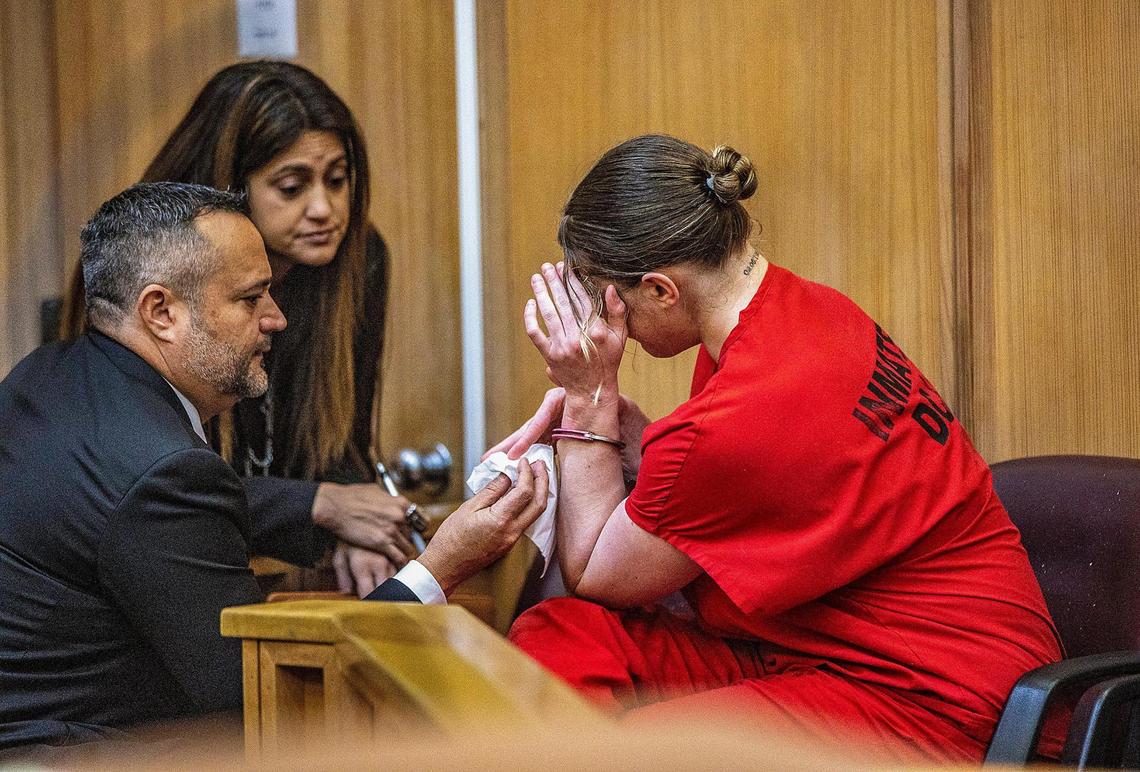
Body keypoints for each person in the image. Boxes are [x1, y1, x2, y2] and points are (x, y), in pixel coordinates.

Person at [494, 135, 1062, 762]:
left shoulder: (738, 414)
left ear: (660, 290)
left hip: (930, 693)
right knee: (565, 635)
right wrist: (624, 431)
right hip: (814, 641)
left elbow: (597, 572)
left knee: (643, 751)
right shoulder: (813, 309)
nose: (607, 329)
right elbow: (754, 483)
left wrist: (588, 400)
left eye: (606, 302)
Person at [0, 182, 548, 753]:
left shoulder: (48, 378)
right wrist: (442, 565)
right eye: (250, 298)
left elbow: (144, 512)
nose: (277, 319)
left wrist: (323, 505)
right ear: (161, 311)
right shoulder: (161, 472)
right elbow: (264, 693)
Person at [58, 61, 407, 595]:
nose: (325, 209)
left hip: (285, 567)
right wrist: (316, 506)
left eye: (338, 180)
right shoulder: (139, 262)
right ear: (231, 189)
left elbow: (344, 434)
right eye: (291, 187)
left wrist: (361, 516)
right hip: (156, 564)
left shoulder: (360, 259)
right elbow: (132, 480)